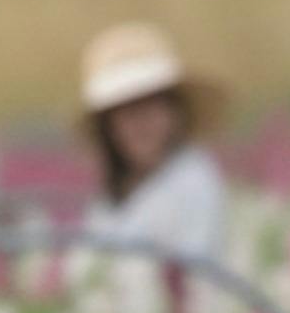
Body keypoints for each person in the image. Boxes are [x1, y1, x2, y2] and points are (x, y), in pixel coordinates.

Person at [79, 21, 228, 259]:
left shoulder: (192, 181)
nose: (140, 122)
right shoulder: (111, 196)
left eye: (149, 104)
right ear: (108, 126)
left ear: (175, 110)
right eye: (125, 110)